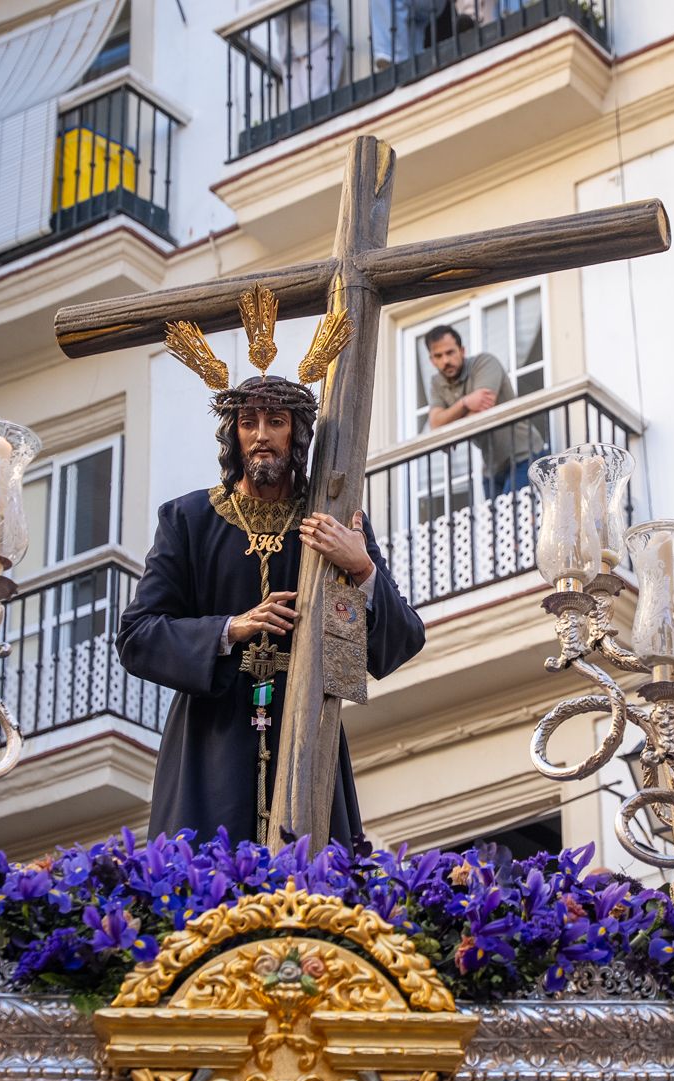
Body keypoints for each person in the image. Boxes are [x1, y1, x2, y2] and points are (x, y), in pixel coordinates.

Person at [118, 312, 426, 848]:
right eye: (249, 423)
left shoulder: (334, 517)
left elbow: (398, 643)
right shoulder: (189, 521)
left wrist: (361, 567)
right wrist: (231, 629)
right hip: (211, 736)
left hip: (307, 722)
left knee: (313, 872)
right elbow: (138, 636)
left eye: (276, 422)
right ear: (233, 436)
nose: (261, 436)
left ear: (297, 433)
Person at [422, 325, 548, 497]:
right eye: (438, 356)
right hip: (491, 469)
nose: (445, 360)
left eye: (450, 352)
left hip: (525, 455)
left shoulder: (484, 363)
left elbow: (480, 412)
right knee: (495, 523)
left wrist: (449, 430)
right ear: (432, 360)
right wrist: (465, 403)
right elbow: (436, 424)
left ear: (462, 350)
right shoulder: (437, 383)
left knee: (514, 520)